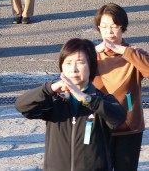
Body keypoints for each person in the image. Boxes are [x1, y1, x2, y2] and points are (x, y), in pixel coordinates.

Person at [15, 38, 127, 170]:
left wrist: (87, 99)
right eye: (68, 63)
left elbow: (119, 117)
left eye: (80, 62)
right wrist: (49, 89)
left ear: (91, 66)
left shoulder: (102, 99)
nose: (73, 69)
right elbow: (22, 105)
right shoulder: (56, 99)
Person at [93, 3, 149, 170]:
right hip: (99, 126)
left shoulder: (134, 54)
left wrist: (123, 51)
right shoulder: (90, 54)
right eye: (104, 26)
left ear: (123, 28)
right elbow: (69, 69)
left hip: (129, 126)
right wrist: (93, 50)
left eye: (114, 26)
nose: (109, 32)